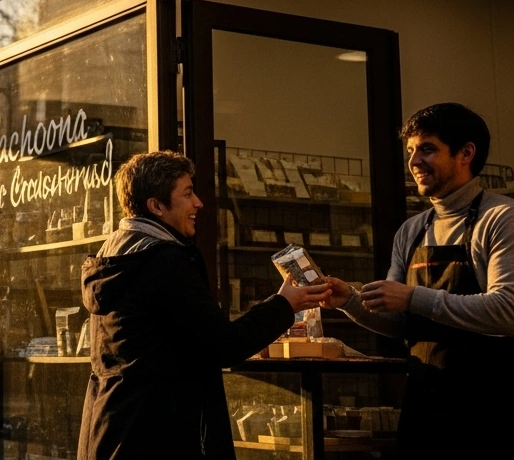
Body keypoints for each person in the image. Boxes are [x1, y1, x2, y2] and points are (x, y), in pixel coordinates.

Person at [322, 103, 514, 459]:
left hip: (496, 411)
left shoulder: (506, 219)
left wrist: (412, 296)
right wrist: (349, 300)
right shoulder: (412, 231)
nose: (414, 162)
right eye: (411, 151)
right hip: (427, 407)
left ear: (466, 153)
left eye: (427, 149)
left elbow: (508, 314)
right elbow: (400, 322)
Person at [76, 151, 331, 460]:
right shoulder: (164, 262)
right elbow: (224, 345)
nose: (198, 203)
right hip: (161, 440)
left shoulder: (114, 256)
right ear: (156, 206)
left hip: (111, 433)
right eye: (187, 194)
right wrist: (284, 304)